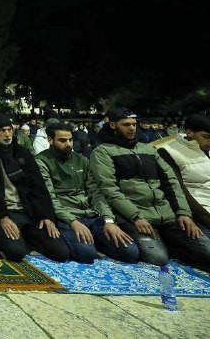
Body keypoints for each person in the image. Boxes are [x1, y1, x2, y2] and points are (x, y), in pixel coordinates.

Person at [91, 108, 210, 267]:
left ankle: (171, 243)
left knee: (207, 250)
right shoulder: (103, 152)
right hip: (134, 216)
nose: (132, 128)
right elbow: (110, 189)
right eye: (126, 124)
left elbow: (171, 182)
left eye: (134, 124)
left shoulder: (148, 149)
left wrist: (183, 213)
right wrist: (136, 216)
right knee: (158, 258)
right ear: (112, 125)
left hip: (166, 214)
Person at [35, 122, 139, 263]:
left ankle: (97, 241)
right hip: (67, 217)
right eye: (62, 140)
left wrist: (109, 220)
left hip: (93, 216)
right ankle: (91, 243)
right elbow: (50, 198)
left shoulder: (82, 160)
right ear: (50, 140)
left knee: (131, 252)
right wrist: (73, 221)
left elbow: (96, 193)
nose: (68, 144)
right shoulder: (42, 162)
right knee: (87, 254)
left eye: (70, 140)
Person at [0, 113, 70, 262]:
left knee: (61, 253)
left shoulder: (22, 153)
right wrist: (2, 217)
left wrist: (46, 216)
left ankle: (27, 237)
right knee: (16, 253)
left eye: (9, 130)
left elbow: (38, 187)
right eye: (2, 130)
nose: (7, 134)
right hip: (5, 213)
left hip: (28, 211)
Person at [157, 113, 210, 229]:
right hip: (197, 210)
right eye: (206, 137)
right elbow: (178, 190)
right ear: (189, 132)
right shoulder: (167, 152)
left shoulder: (204, 149)